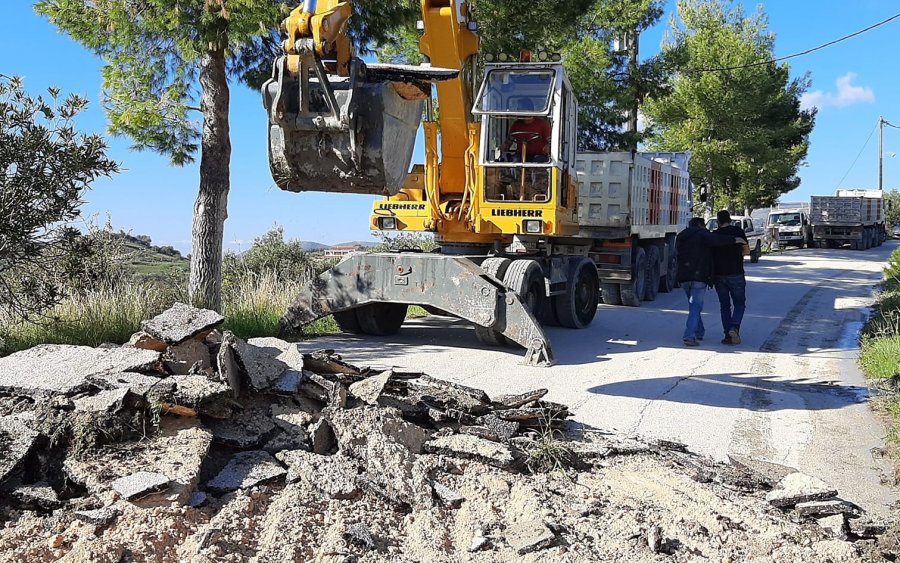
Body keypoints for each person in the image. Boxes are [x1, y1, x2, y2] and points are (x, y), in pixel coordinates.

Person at [676, 217, 746, 346]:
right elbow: (719, 240)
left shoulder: (681, 236)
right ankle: (689, 336)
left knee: (693, 306)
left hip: (684, 276)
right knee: (696, 306)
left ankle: (699, 332)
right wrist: (735, 239)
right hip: (699, 276)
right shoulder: (703, 235)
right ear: (701, 225)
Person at [713, 210, 751, 345]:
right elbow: (747, 251)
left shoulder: (714, 235)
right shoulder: (738, 232)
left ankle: (727, 335)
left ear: (718, 221)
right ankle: (734, 327)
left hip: (719, 275)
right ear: (730, 219)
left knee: (724, 306)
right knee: (739, 304)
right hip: (736, 273)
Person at [500, 98, 551, 162]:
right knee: (514, 160)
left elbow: (549, 141)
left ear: (528, 110)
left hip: (539, 155)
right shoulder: (516, 124)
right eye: (518, 110)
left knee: (538, 161)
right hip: (520, 155)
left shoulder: (542, 124)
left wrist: (548, 147)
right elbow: (509, 141)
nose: (518, 111)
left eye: (520, 109)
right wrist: (503, 147)